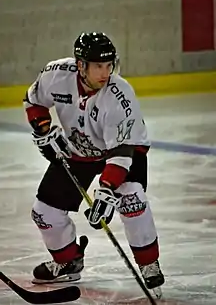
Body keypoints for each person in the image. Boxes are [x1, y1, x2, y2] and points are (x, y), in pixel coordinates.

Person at [23, 32, 165, 291]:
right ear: (80, 65)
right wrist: (43, 128)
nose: (105, 72)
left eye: (109, 65)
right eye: (98, 66)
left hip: (123, 152)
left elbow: (122, 153)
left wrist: (107, 189)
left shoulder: (120, 94)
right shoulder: (56, 75)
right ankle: (68, 262)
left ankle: (148, 263)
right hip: (79, 150)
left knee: (130, 198)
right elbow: (33, 101)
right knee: (44, 212)